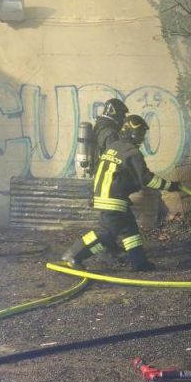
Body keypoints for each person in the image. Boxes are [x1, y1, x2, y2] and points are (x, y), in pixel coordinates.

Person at [62, 114, 181, 271]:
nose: (141, 137)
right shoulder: (132, 152)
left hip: (107, 196)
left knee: (130, 230)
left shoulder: (114, 147)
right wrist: (171, 186)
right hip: (114, 200)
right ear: (131, 132)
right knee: (107, 235)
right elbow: (147, 179)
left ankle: (139, 263)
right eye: (140, 133)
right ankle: (74, 255)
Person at [64, 98, 129, 263]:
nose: (123, 119)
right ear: (115, 114)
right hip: (109, 182)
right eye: (122, 115)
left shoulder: (101, 127)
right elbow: (115, 157)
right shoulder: (110, 133)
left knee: (115, 221)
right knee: (108, 227)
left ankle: (111, 249)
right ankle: (76, 252)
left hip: (101, 179)